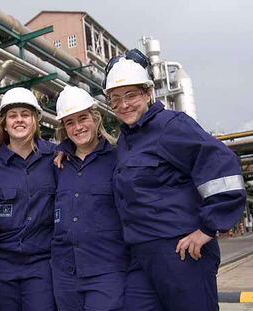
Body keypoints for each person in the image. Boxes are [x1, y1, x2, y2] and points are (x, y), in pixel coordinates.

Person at [103, 49, 247, 311]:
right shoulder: (127, 139)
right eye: (115, 99)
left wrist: (207, 228)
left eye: (131, 95)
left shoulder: (171, 125)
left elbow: (222, 166)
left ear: (148, 94)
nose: (124, 105)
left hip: (180, 253)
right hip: (141, 255)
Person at [51, 86, 128, 311]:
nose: (78, 127)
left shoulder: (118, 159)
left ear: (96, 119)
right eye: (70, 122)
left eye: (83, 118)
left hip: (107, 272)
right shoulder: (57, 165)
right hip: (65, 274)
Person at [0, 87, 57, 311]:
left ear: (35, 120)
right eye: (13, 116)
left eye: (25, 115)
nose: (19, 120)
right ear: (4, 123)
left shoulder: (56, 158)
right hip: (1, 265)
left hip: (41, 264)